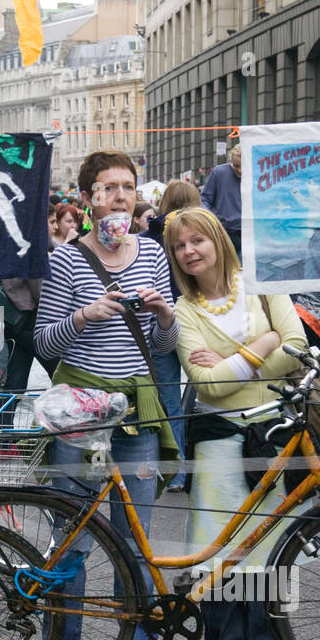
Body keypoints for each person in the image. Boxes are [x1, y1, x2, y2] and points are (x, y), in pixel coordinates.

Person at [33, 149, 184, 640]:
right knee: (71, 540)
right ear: (87, 198)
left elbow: (167, 346)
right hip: (80, 416)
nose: (119, 197)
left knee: (135, 543)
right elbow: (43, 340)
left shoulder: (151, 253)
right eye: (107, 188)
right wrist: (83, 315)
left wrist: (166, 315)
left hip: (136, 417)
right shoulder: (66, 260)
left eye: (127, 187)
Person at [167, 206, 308, 640]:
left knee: (269, 539)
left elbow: (297, 348)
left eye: (197, 240)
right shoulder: (183, 311)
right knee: (218, 545)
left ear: (218, 242)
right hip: (217, 439)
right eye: (180, 246)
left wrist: (231, 360)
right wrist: (260, 345)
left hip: (270, 434)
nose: (189, 251)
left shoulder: (264, 285)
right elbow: (206, 387)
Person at [148, 180, 201, 493]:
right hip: (197, 320)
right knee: (208, 391)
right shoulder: (202, 235)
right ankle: (200, 464)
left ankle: (176, 471)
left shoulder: (152, 236)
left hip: (163, 322)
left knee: (169, 401)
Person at [200, 143, 242, 254]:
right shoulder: (219, 172)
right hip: (224, 231)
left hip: (249, 232)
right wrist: (211, 219)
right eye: (236, 166)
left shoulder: (255, 174)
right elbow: (204, 199)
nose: (240, 170)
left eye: (243, 166)